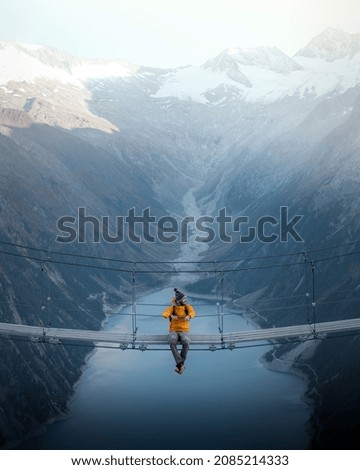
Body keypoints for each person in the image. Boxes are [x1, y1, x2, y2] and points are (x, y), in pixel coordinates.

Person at [162, 288, 196, 374]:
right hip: (173, 330)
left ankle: (179, 364)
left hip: (184, 330)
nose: (185, 300)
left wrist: (189, 316)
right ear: (179, 300)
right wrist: (170, 315)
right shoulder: (172, 308)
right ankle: (181, 364)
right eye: (184, 299)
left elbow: (193, 312)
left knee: (186, 342)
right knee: (172, 341)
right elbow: (164, 313)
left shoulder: (187, 307)